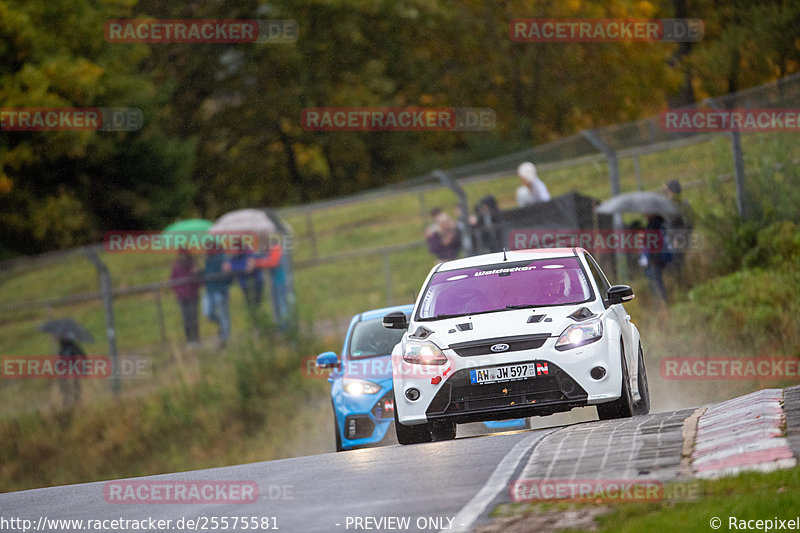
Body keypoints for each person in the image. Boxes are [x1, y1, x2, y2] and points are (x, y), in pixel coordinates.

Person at [662, 179, 694, 287]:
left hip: (677, 241)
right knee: (673, 266)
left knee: (678, 265)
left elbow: (689, 223)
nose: (666, 193)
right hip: (670, 241)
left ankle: (683, 286)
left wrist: (680, 239)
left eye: (667, 191)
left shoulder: (681, 205)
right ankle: (679, 286)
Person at [170, 248, 201, 346]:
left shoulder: (193, 265)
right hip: (182, 297)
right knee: (186, 319)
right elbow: (173, 280)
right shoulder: (176, 266)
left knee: (193, 318)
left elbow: (199, 282)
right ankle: (189, 341)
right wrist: (178, 291)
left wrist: (197, 273)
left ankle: (195, 340)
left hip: (193, 295)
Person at [639, 213, 671, 305]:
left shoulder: (653, 225)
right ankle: (662, 302)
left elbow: (650, 242)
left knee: (655, 282)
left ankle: (661, 303)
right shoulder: (660, 225)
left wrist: (646, 256)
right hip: (659, 258)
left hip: (655, 259)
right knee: (657, 281)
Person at [204, 247, 232, 348]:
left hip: (220, 291)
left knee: (223, 313)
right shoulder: (208, 258)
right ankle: (222, 325)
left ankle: (225, 338)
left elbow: (228, 276)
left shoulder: (223, 257)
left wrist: (226, 271)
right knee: (208, 313)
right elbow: (207, 273)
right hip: (209, 291)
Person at [57, 335, 86, 407]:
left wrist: (85, 368)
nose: (57, 340)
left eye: (59, 338)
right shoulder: (62, 348)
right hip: (67, 370)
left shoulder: (71, 346)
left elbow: (83, 356)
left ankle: (76, 400)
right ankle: (68, 400)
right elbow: (61, 360)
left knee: (74, 384)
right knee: (66, 384)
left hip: (74, 368)